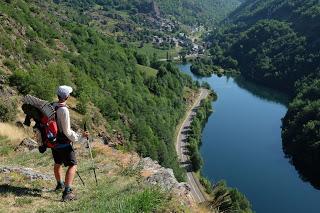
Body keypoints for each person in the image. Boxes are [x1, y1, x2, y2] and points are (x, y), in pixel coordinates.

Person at [52, 85, 89, 201]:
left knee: (58, 162)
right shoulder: (64, 110)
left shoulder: (53, 105)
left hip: (53, 141)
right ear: (66, 96)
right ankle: (67, 192)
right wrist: (80, 137)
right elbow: (67, 131)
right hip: (63, 142)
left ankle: (59, 184)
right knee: (73, 165)